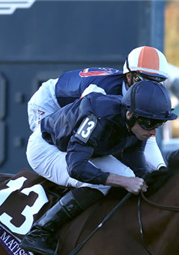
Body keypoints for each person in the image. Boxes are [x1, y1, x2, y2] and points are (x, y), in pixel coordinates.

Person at [19, 80, 177, 255]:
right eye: (149, 123)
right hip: (47, 148)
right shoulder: (97, 117)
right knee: (105, 183)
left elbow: (137, 165)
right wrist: (123, 181)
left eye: (159, 124)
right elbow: (76, 167)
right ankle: (40, 232)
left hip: (84, 150)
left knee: (128, 175)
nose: (153, 132)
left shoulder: (137, 126)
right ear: (129, 114)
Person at [27, 46, 170, 171]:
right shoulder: (102, 91)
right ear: (129, 76)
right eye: (146, 81)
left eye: (158, 83)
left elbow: (149, 141)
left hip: (72, 103)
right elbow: (78, 128)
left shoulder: (135, 95)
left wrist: (161, 168)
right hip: (50, 104)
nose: (152, 88)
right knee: (68, 158)